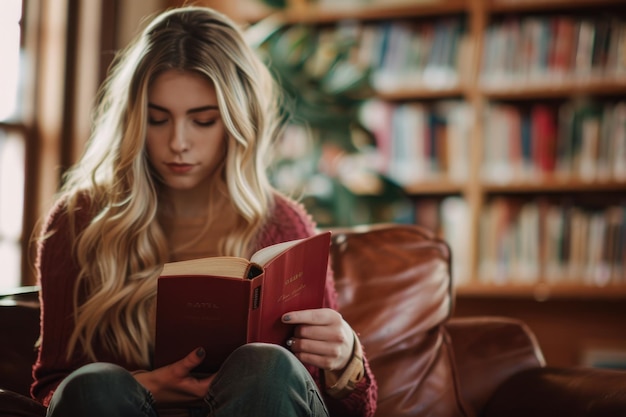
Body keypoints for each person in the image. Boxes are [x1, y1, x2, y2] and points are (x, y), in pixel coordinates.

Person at [31, 5, 377, 417]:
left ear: (236, 121)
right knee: (93, 386)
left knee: (267, 366)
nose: (179, 142)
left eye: (204, 120)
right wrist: (143, 388)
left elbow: (339, 406)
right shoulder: (78, 222)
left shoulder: (282, 224)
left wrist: (345, 360)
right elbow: (52, 390)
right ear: (132, 121)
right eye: (158, 119)